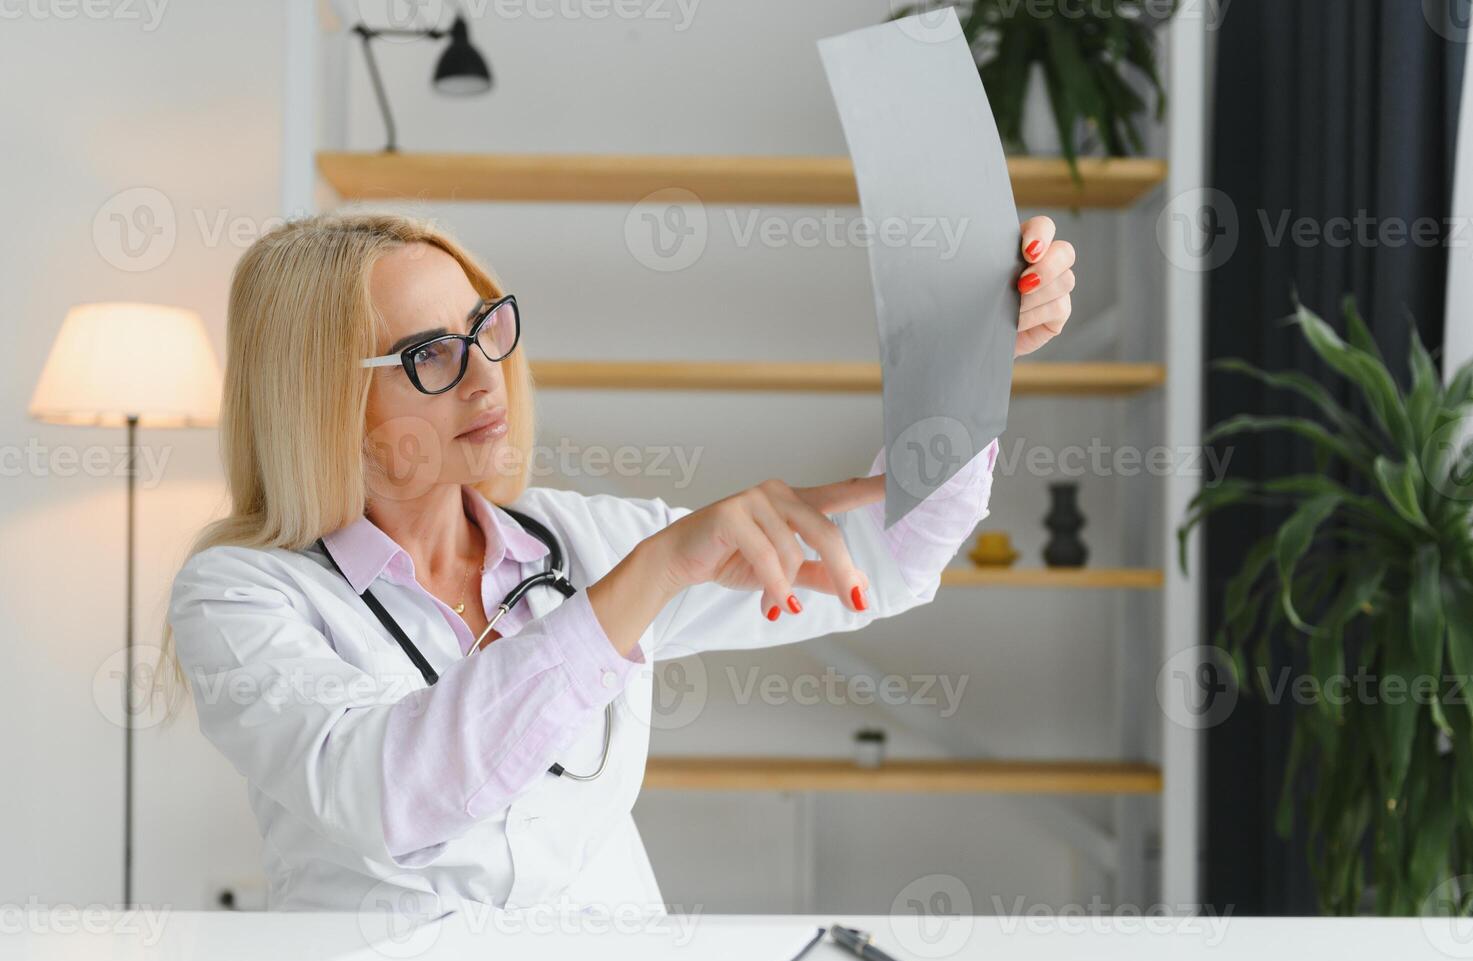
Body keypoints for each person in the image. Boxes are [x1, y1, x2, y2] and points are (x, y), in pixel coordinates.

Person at [161, 209, 1076, 915]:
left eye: (485, 328)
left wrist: (971, 358)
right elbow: (394, 797)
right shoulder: (241, 597)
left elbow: (885, 562)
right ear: (318, 397)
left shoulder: (577, 541)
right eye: (429, 354)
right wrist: (642, 582)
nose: (486, 376)